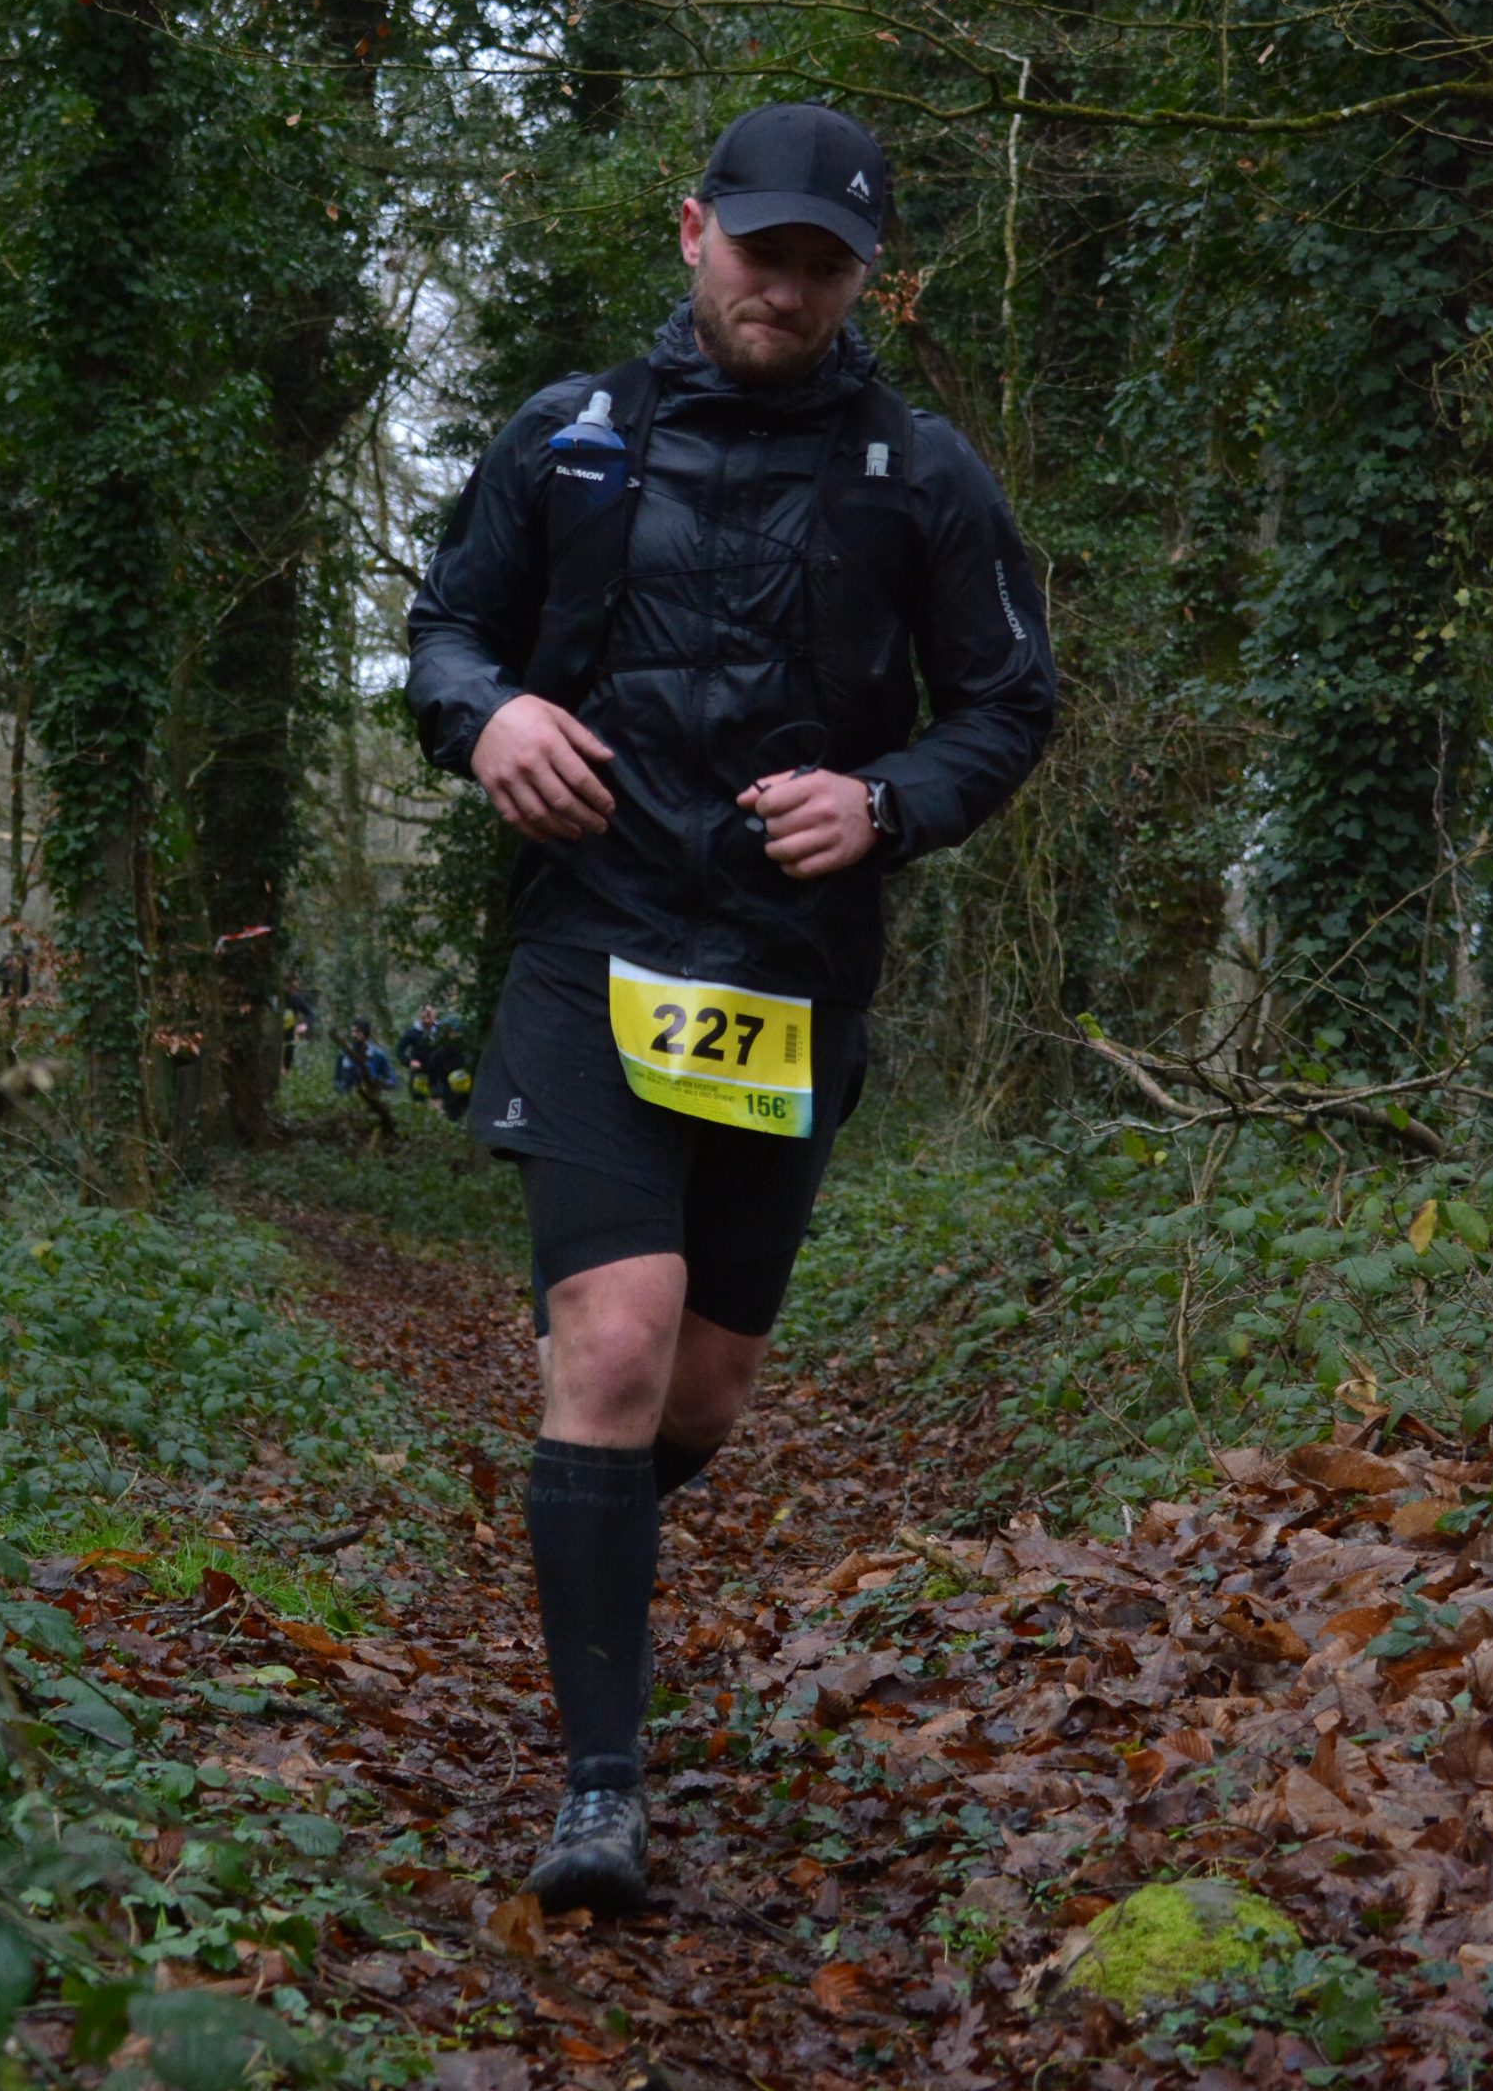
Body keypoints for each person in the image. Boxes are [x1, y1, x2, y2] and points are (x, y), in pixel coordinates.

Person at [406, 100, 1056, 1915]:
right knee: (613, 1346)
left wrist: (887, 802)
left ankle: (586, 1533)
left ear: (868, 281)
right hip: (592, 942)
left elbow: (1007, 703)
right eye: (760, 249)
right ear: (693, 231)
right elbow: (445, 634)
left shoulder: (922, 476)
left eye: (822, 264)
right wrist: (489, 718)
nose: (786, 286)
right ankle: (598, 1795)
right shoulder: (570, 438)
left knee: (699, 1388)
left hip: (786, 974)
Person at [333, 1019, 397, 1094]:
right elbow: (337, 1079)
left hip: (370, 1095)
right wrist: (342, 1090)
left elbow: (392, 1080)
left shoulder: (378, 1054)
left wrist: (380, 1084)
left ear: (365, 1034)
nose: (353, 1035)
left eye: (357, 1032)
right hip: (349, 1096)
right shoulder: (344, 1053)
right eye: (352, 1031)